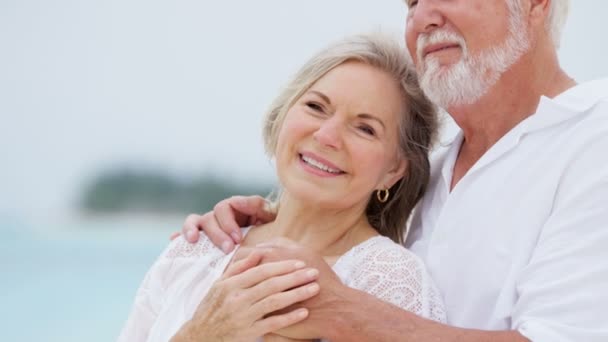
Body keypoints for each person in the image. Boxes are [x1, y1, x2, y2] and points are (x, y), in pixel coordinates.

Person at [179, 0, 608, 341]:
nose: (422, 18)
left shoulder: (595, 138)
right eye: (411, 3)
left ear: (535, 3)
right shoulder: (438, 170)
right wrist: (271, 224)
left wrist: (338, 310)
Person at [118, 33, 447, 342]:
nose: (326, 136)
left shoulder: (389, 281)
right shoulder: (195, 251)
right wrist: (201, 334)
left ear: (393, 170)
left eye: (364, 128)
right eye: (316, 107)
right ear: (283, 114)